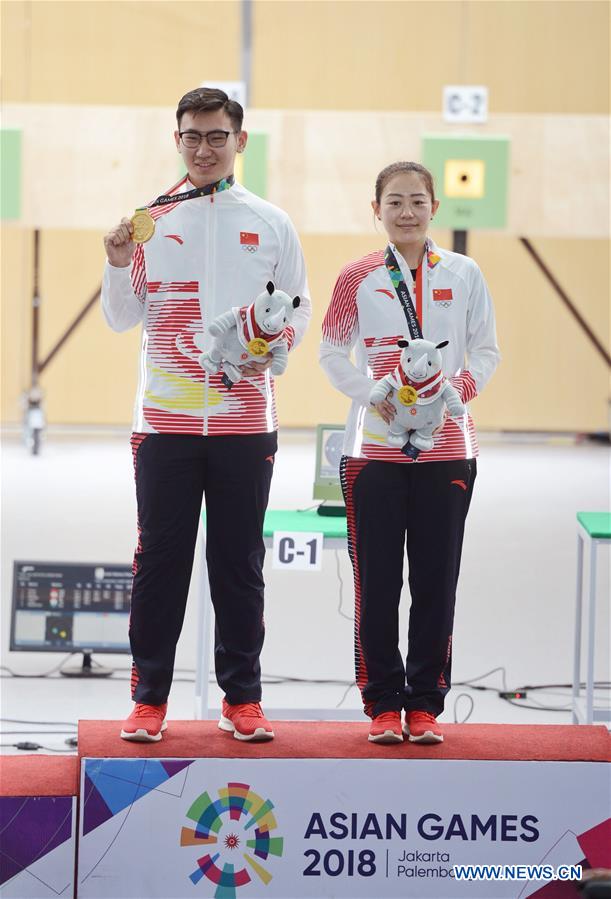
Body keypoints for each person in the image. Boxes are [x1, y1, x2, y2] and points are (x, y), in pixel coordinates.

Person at [102, 87, 311, 743]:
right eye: (191, 135)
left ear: (239, 142)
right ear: (177, 141)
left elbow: (297, 314)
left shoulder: (271, 222)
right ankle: (147, 700)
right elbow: (120, 316)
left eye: (216, 135)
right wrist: (114, 263)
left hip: (245, 424)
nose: (203, 147)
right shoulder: (148, 221)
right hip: (163, 422)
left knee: (239, 561)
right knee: (159, 559)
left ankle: (240, 698)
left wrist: (271, 343)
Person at [320, 161, 499, 745]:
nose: (406, 212)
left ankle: (424, 704)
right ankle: (380, 705)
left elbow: (485, 352)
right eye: (394, 202)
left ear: (434, 208)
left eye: (417, 201)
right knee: (375, 584)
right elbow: (329, 352)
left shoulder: (465, 274)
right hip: (373, 454)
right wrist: (369, 393)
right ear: (377, 210)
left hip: (447, 453)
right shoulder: (357, 277)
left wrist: (456, 396)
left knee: (435, 580)